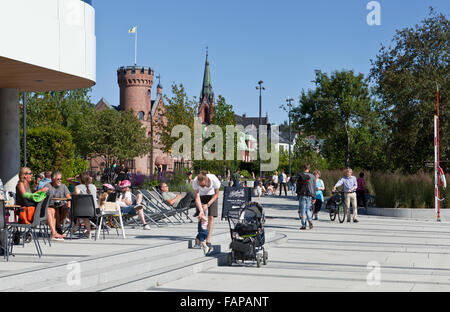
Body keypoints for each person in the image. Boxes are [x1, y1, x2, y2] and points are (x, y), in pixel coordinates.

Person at [192, 171, 221, 254]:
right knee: (201, 217)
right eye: (200, 185)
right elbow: (197, 197)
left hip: (212, 196)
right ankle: (200, 238)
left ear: (206, 180)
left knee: (211, 217)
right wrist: (201, 210)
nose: (201, 186)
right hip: (201, 197)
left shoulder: (214, 180)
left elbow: (216, 194)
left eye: (203, 185)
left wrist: (208, 204)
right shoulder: (195, 182)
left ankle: (208, 240)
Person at [44, 171, 72, 241]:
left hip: (61, 206)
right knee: (55, 208)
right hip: (51, 206)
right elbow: (43, 195)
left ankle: (57, 225)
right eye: (58, 179)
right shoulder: (48, 186)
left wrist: (69, 207)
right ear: (52, 179)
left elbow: (68, 197)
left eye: (61, 179)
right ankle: (58, 227)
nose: (60, 180)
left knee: (65, 208)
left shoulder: (63, 186)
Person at [73, 172, 98, 239]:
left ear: (80, 180)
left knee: (78, 208)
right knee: (84, 213)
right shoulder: (93, 186)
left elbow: (77, 193)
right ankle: (87, 231)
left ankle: (77, 225)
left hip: (84, 211)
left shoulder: (77, 187)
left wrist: (72, 193)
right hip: (95, 210)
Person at [296, 163, 316, 230]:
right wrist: (314, 197)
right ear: (309, 168)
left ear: (303, 168)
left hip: (302, 194)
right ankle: (310, 220)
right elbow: (314, 187)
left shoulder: (300, 175)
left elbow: (297, 185)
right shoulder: (313, 176)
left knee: (302, 210)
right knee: (307, 209)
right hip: (310, 195)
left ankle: (303, 225)